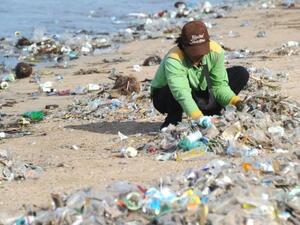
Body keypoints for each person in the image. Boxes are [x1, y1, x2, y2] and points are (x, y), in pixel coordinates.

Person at [151, 20, 249, 130]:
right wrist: (198, 118)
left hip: (198, 90)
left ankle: (211, 110)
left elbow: (219, 86)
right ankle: (173, 120)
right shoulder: (174, 59)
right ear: (183, 46)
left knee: (241, 73)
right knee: (172, 89)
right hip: (166, 96)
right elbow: (182, 93)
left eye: (202, 51)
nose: (199, 57)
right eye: (194, 52)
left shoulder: (215, 51)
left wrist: (236, 101)